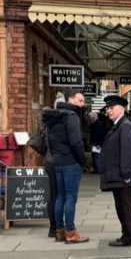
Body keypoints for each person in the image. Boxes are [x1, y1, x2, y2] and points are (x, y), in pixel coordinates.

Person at [42, 88, 89, 244]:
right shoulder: (72, 116)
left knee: (60, 197)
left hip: (57, 162)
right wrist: (83, 160)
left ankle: (59, 231)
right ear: (70, 100)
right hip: (71, 163)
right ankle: (71, 233)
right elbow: (76, 142)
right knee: (71, 198)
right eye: (80, 100)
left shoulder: (53, 117)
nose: (82, 104)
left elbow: (48, 141)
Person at [100, 95, 131, 247]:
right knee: (125, 205)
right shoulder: (119, 125)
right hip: (118, 174)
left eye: (111, 108)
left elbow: (128, 151)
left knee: (122, 206)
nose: (108, 111)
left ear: (120, 109)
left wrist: (125, 174)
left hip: (122, 175)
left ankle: (128, 237)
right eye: (107, 108)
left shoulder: (124, 126)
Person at [41, 106, 58, 238]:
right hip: (55, 163)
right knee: (57, 196)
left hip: (48, 161)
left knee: (53, 195)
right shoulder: (53, 129)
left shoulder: (44, 128)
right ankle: (55, 226)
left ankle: (53, 227)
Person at [90, 108, 108, 174]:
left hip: (97, 143)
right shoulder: (96, 123)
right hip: (96, 143)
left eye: (90, 117)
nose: (90, 119)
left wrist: (98, 144)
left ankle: (98, 169)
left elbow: (99, 134)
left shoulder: (98, 124)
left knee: (97, 156)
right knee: (95, 155)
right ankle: (97, 168)